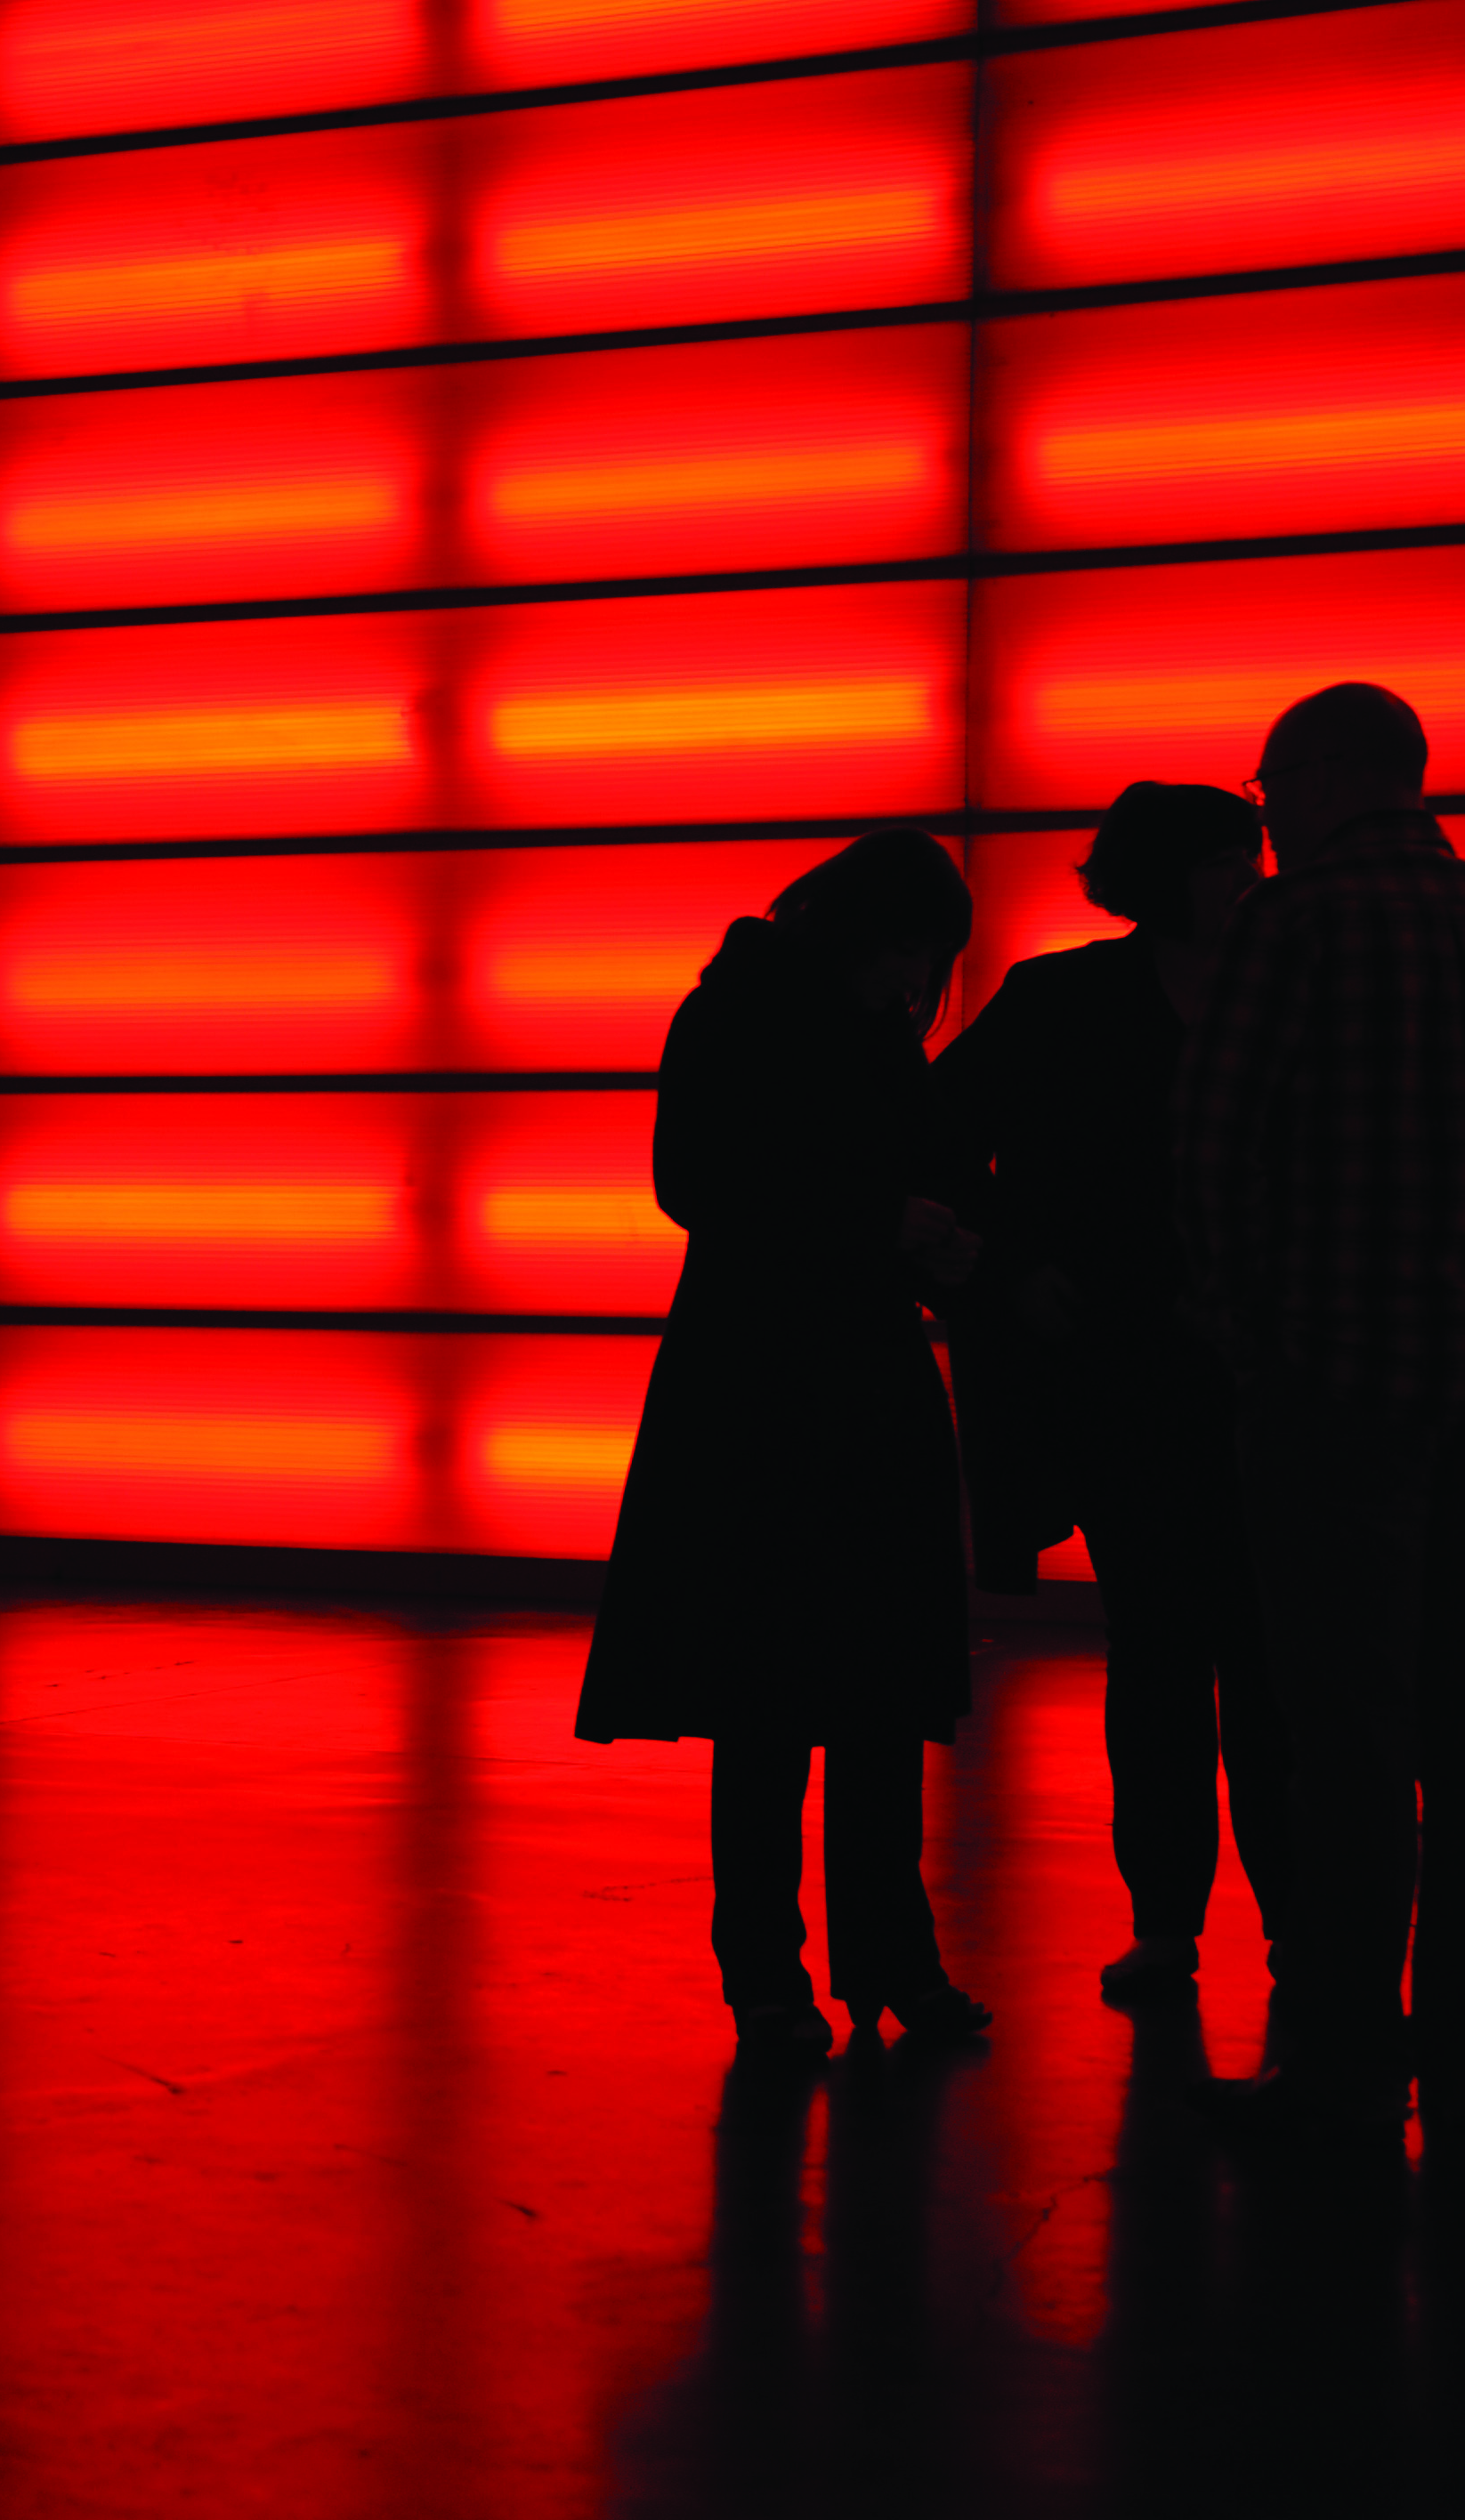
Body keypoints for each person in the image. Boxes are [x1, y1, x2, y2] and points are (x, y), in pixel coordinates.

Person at [1178, 684, 1465, 2142]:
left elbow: (1213, 1148)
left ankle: (1346, 2048)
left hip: (1336, 1377)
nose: (1267, 816)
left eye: (1271, 784)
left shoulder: (1288, 928)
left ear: (1326, 774)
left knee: (1344, 1728)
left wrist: (1246, 1322)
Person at [579, 827, 998, 2061]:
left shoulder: (738, 1013)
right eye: (914, 953)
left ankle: (775, 1977)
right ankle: (880, 1962)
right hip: (838, 1378)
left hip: (753, 1380)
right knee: (860, 1689)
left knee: (772, 1692)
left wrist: (916, 1225)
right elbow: (704, 1183)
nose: (918, 981)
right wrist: (913, 1232)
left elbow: (706, 1185)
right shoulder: (833, 1031)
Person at [936, 782, 1289, 2005]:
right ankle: (1255, 1926)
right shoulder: (1277, 998)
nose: (1251, 881)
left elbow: (940, 1136)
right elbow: (937, 1138)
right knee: (1223, 1655)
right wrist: (1013, 1269)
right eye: (1231, 862)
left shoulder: (1063, 998)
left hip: (1132, 1367)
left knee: (1172, 1652)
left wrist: (1013, 1269)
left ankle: (1176, 1924)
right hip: (1208, 1372)